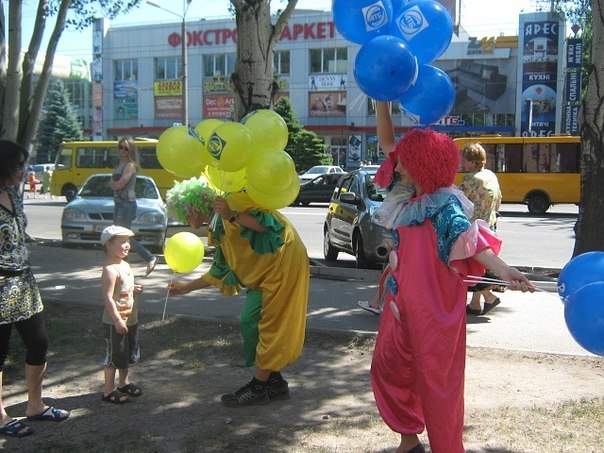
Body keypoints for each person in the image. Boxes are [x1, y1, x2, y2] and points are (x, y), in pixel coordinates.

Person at [369, 129, 535, 453]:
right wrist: (380, 96)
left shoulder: (446, 205)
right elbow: (389, 143)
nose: (398, 167)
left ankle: (446, 448)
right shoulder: (406, 198)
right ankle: (409, 440)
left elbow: (470, 241)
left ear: (421, 163)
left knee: (437, 384)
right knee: (388, 367)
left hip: (433, 308)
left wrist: (504, 271)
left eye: (404, 161)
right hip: (399, 301)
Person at [166, 178, 309, 407]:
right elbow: (221, 268)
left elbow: (269, 225)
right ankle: (275, 382)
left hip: (284, 264)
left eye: (184, 214)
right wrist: (186, 288)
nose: (183, 220)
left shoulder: (232, 202)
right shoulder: (215, 225)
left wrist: (232, 214)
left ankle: (259, 387)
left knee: (270, 326)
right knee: (249, 322)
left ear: (193, 207)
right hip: (262, 274)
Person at [0, 140, 70, 438]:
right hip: (0, 285)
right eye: (19, 165)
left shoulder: (14, 194)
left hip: (24, 284)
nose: (23, 170)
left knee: (39, 342)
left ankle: (35, 405)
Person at [99, 225, 144, 405]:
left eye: (128, 241)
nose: (127, 245)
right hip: (115, 321)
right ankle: (108, 390)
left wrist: (135, 290)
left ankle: (123, 383)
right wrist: (117, 320)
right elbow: (107, 298)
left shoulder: (125, 264)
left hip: (130, 319)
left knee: (126, 353)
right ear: (109, 245)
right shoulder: (110, 270)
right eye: (122, 242)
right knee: (113, 356)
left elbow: (124, 290)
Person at [458, 143, 504, 316]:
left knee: (471, 266)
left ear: (473, 162)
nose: (462, 162)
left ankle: (489, 297)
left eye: (465, 159)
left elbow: (456, 199)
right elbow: (499, 200)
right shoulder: (491, 176)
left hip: (473, 228)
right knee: (480, 266)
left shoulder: (471, 179)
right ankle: (476, 304)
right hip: (489, 226)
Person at [108, 137, 157, 277]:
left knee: (122, 236)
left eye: (126, 148)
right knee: (118, 235)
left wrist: (114, 184)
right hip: (119, 203)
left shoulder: (130, 165)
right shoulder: (118, 165)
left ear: (130, 151)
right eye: (120, 147)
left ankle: (149, 257)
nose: (122, 151)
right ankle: (123, 266)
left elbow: (120, 183)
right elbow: (111, 182)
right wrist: (114, 184)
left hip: (127, 204)